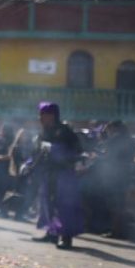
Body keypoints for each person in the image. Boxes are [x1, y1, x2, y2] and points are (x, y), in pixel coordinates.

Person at [27, 101, 83, 250]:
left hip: (63, 174)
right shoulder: (43, 132)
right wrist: (28, 164)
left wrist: (56, 150)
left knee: (64, 205)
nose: (40, 118)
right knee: (47, 203)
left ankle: (66, 237)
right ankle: (51, 233)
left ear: (52, 115)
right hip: (48, 173)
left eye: (43, 114)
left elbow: (77, 151)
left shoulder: (65, 131)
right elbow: (37, 152)